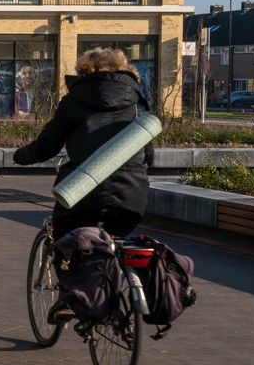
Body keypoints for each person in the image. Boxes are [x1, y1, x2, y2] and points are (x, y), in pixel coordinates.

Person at [12, 47, 152, 239]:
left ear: (84, 72)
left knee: (67, 244)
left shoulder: (73, 101)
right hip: (131, 194)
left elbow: (47, 146)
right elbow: (148, 155)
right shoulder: (138, 103)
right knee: (118, 245)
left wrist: (20, 156)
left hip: (81, 191)